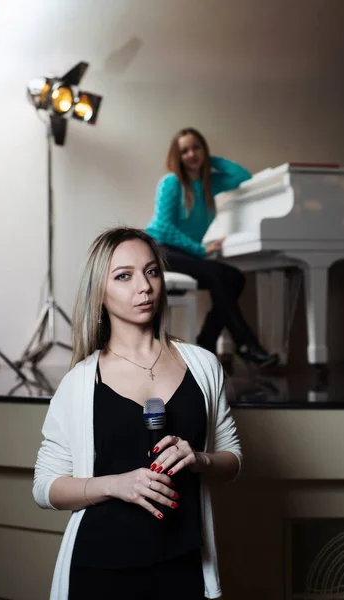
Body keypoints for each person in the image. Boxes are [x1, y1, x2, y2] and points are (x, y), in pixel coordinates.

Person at [33, 226, 242, 600]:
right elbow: (45, 487)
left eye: (151, 271)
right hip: (99, 570)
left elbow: (233, 460)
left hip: (184, 565)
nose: (143, 287)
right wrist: (114, 485)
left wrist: (200, 458)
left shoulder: (204, 365)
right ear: (99, 291)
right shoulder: (79, 383)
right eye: (123, 276)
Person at [145, 127, 278, 367]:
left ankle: (205, 343)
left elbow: (243, 176)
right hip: (157, 249)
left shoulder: (211, 183)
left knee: (235, 278)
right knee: (218, 275)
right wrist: (200, 250)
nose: (191, 154)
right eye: (184, 151)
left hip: (183, 251)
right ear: (177, 156)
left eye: (196, 148)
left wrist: (210, 160)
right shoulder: (171, 183)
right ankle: (246, 344)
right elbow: (163, 228)